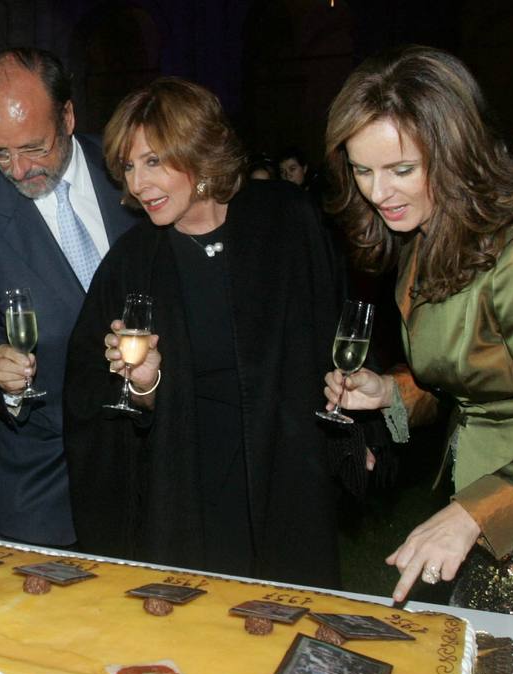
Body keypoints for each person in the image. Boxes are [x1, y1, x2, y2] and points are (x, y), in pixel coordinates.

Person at [322, 45, 513, 622]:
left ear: (456, 154)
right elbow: (470, 379)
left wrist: (472, 514)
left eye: (401, 170)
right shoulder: (427, 232)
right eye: (362, 170)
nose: (378, 192)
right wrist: (391, 392)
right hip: (486, 495)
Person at [64, 77, 343, 586]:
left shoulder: (284, 219)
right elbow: (90, 396)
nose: (137, 183)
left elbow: (330, 332)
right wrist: (143, 386)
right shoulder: (132, 263)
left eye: (153, 161)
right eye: (128, 165)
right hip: (189, 479)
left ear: (199, 151)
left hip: (284, 466)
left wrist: (349, 432)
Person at [0, 47, 138, 547]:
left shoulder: (130, 172)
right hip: (47, 473)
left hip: (152, 453)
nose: (19, 170)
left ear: (67, 117)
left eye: (33, 147)